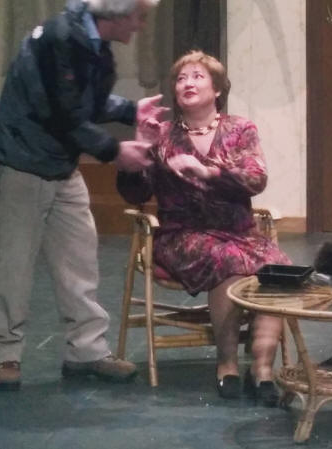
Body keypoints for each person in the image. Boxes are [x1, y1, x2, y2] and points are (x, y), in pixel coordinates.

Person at [0, 0, 160, 391]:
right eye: (138, 16)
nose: (141, 25)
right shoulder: (59, 39)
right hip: (23, 163)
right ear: (117, 14)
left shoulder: (92, 43)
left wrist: (130, 111)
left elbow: (87, 101)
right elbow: (62, 113)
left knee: (80, 259)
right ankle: (5, 354)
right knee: (15, 266)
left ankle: (87, 351)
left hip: (60, 165)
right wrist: (115, 152)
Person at [117, 50, 290, 405]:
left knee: (279, 270)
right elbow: (135, 194)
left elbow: (256, 179)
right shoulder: (162, 135)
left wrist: (209, 172)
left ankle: (262, 370)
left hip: (240, 232)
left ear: (217, 89)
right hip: (183, 234)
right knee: (228, 261)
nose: (188, 83)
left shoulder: (240, 129)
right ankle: (227, 364)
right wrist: (140, 147)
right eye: (181, 79)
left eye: (197, 76)